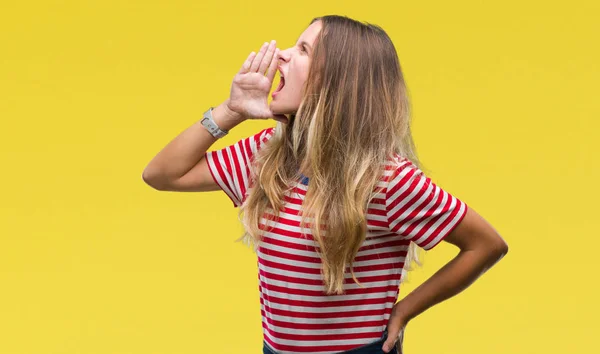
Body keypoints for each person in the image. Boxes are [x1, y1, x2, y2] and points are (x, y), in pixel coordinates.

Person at [142, 15, 508, 354]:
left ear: (336, 81)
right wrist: (231, 110)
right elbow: (161, 174)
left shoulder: (386, 181)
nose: (281, 55)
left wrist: (404, 312)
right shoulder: (266, 156)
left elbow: (486, 245)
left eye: (302, 50)